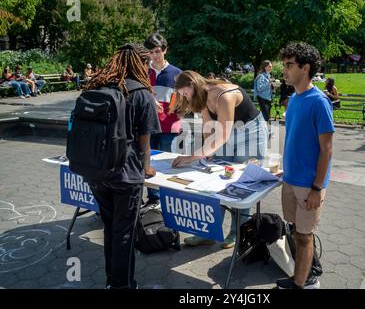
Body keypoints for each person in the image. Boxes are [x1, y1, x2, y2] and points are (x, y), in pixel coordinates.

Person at [84, 43, 161, 289]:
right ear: (140, 63)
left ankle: (111, 281)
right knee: (124, 232)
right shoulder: (141, 93)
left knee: (111, 227)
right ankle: (122, 285)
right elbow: (144, 141)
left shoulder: (97, 85)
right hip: (126, 174)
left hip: (96, 170)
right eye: (146, 62)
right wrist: (147, 168)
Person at [171, 70, 269, 249]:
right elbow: (209, 130)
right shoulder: (201, 97)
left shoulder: (225, 96)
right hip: (228, 133)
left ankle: (237, 232)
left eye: (185, 93)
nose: (185, 98)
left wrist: (191, 157)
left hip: (251, 134)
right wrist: (206, 154)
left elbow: (222, 135)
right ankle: (208, 231)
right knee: (217, 180)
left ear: (192, 85)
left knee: (241, 183)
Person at [276, 42, 334, 289]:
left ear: (305, 67)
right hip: (290, 179)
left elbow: (327, 149)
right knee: (295, 230)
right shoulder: (294, 100)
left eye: (289, 65)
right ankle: (306, 271)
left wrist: (317, 187)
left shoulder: (319, 102)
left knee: (304, 235)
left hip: (309, 185)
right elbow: (296, 140)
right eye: (284, 65)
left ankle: (303, 283)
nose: (284, 70)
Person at [143, 32, 182, 206]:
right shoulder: (143, 71)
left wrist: (180, 109)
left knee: (167, 164)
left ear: (165, 50)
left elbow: (185, 99)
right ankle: (153, 198)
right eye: (151, 52)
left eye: (157, 51)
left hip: (170, 126)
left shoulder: (177, 73)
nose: (154, 56)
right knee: (149, 162)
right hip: (149, 126)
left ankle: (168, 199)